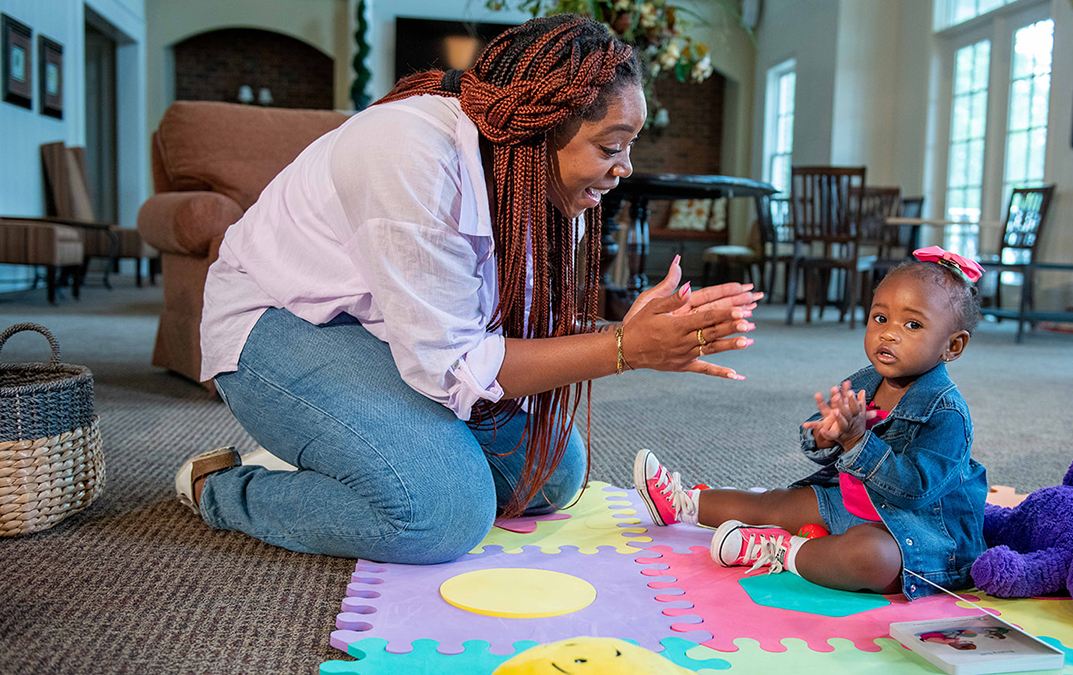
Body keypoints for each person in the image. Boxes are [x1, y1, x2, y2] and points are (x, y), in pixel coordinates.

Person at [175, 15, 761, 565]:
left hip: (388, 336)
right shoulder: (406, 155)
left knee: (553, 474)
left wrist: (625, 332)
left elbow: (500, 328)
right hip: (277, 325)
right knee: (445, 514)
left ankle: (349, 447)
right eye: (611, 147)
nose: (625, 167)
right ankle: (224, 488)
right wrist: (626, 350)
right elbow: (452, 366)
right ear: (539, 130)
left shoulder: (539, 180)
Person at [634, 247, 988, 600]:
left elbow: (916, 489)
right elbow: (827, 434)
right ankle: (682, 504)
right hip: (852, 504)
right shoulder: (868, 380)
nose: (889, 334)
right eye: (881, 318)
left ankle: (781, 550)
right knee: (776, 503)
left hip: (915, 534)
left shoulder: (947, 413)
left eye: (912, 325)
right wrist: (824, 435)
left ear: (952, 346)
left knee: (870, 558)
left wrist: (857, 444)